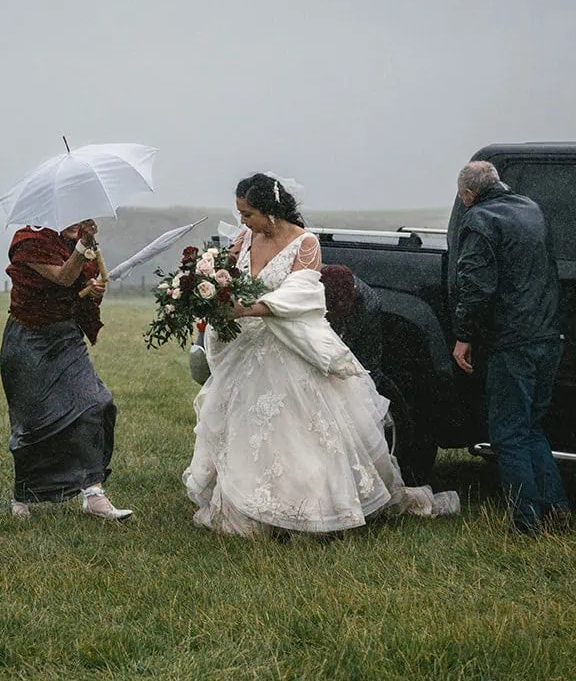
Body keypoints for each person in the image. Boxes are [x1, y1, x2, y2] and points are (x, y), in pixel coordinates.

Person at [183, 174, 458, 538]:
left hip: (290, 344)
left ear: (270, 211)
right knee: (244, 425)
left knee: (298, 432)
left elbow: (302, 293)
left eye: (248, 214)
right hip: (247, 347)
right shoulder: (245, 237)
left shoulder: (305, 243)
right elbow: (227, 275)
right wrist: (207, 290)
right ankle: (245, 504)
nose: (243, 221)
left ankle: (311, 508)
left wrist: (252, 308)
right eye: (240, 214)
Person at [447, 159, 568, 534]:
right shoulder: (531, 210)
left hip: (511, 341)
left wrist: (464, 336)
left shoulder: (479, 221)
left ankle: (526, 520)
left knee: (508, 433)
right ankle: (557, 509)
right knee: (531, 427)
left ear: (468, 194)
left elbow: (477, 287)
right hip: (547, 335)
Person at [1, 218, 131, 521]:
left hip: (65, 337)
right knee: (33, 423)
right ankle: (24, 495)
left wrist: (94, 290)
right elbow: (61, 278)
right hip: (28, 339)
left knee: (96, 404)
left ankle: (93, 493)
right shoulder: (29, 240)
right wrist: (82, 245)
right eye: (73, 216)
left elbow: (79, 286)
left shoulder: (76, 242)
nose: (80, 220)